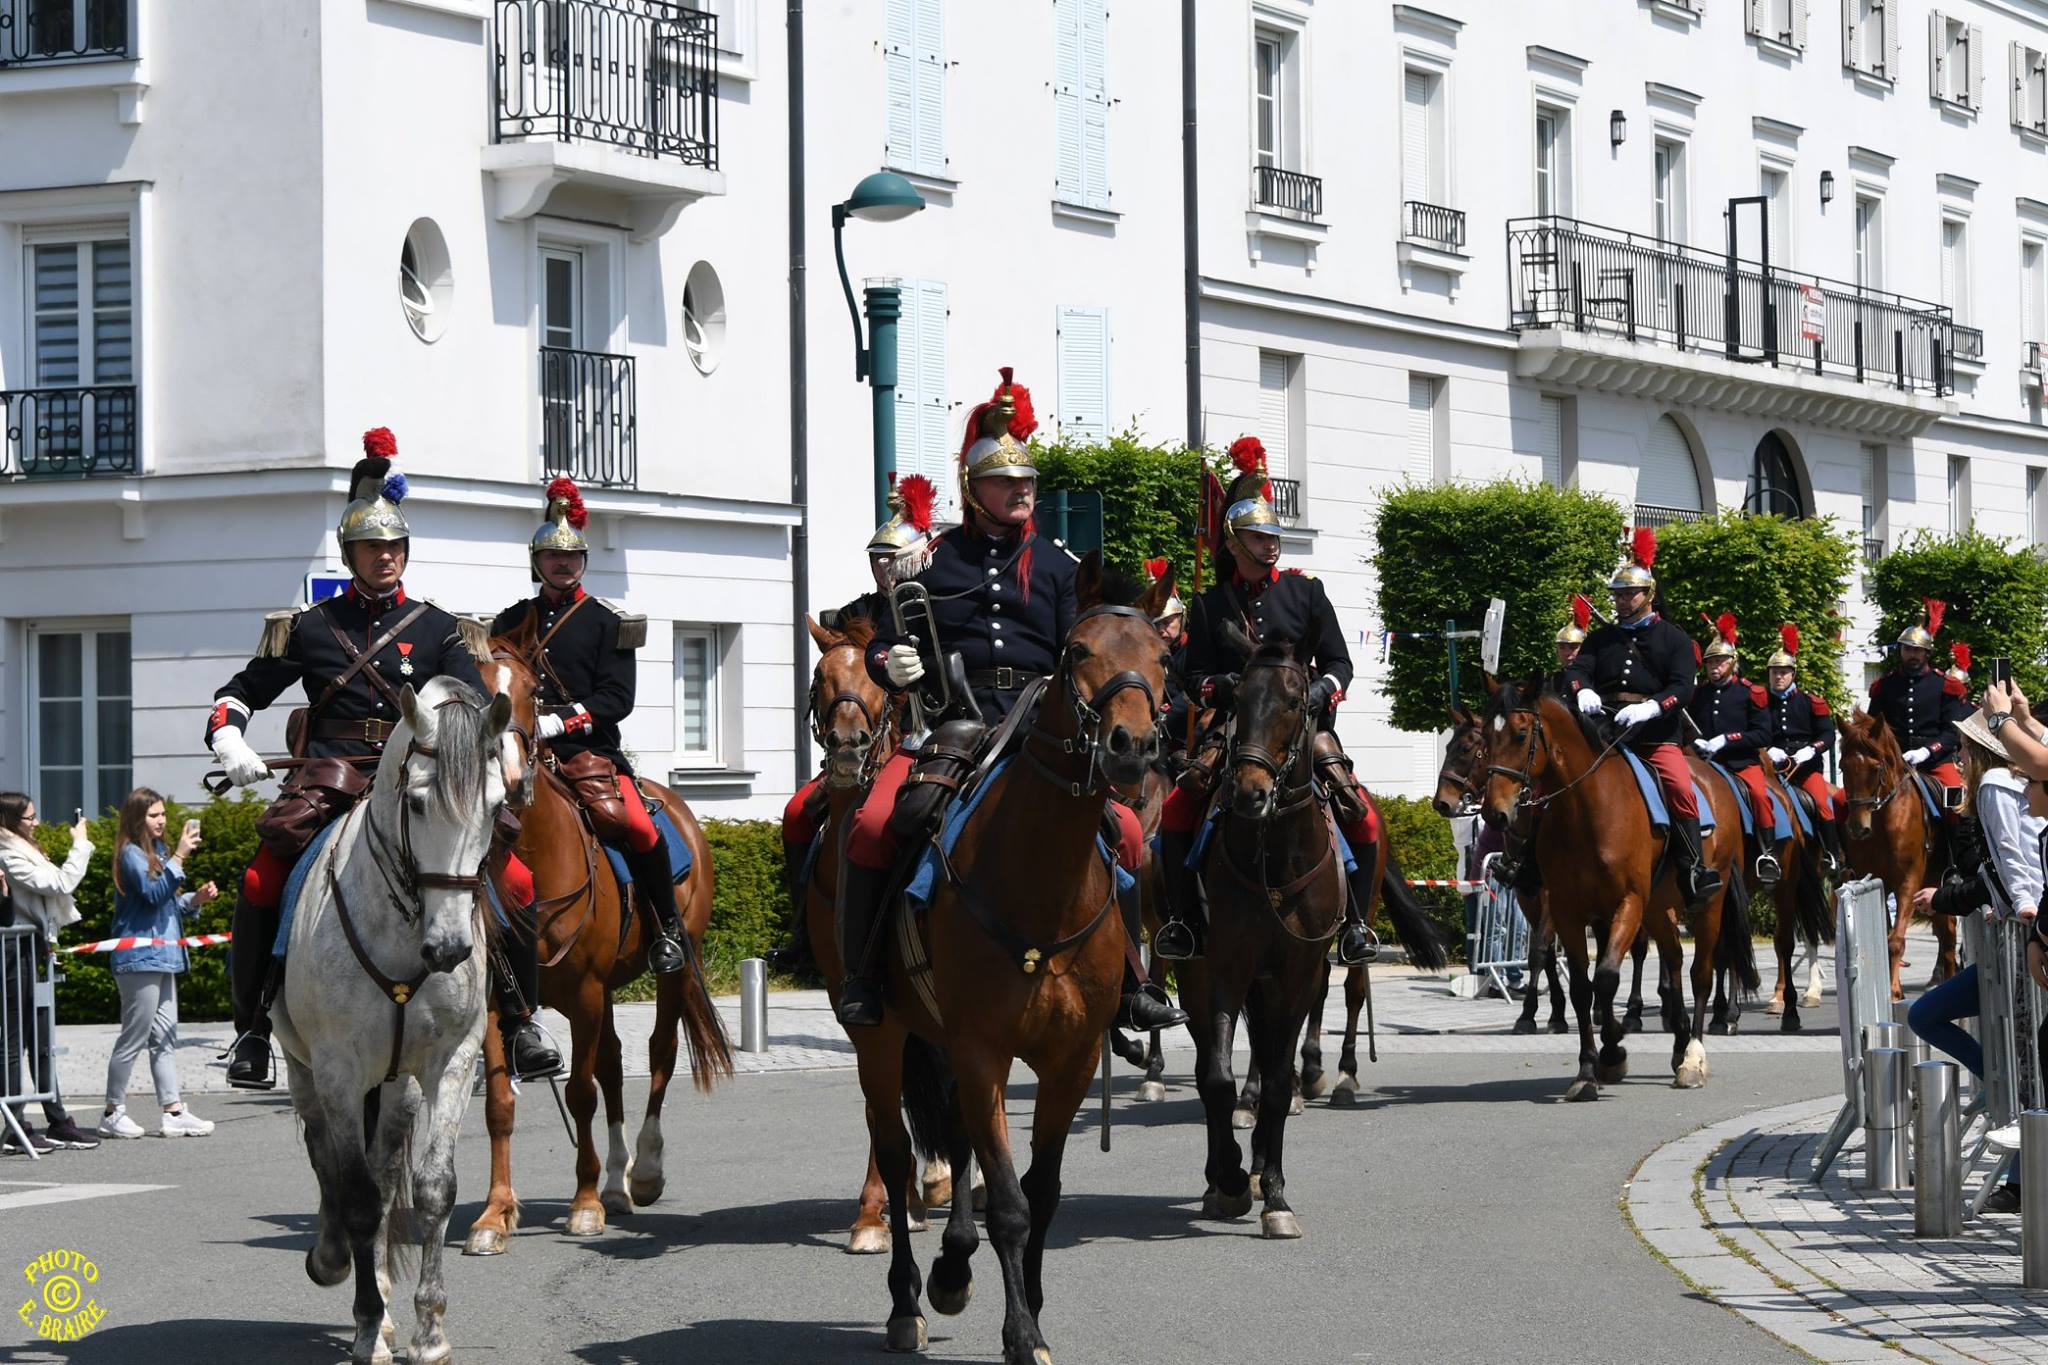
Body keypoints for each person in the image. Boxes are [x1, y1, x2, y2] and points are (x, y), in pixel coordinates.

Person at [838, 367, 1185, 1035]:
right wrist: (893, 663)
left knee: (1129, 831)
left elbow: (1080, 651)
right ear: (974, 488)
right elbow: (881, 645)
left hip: (1039, 727)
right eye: (1007, 482)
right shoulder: (930, 564)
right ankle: (863, 976)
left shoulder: (1059, 567)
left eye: (1028, 483)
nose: (1022, 492)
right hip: (953, 724)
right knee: (876, 824)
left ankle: (1131, 982)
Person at [208, 428, 538, 1090]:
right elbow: (241, 692)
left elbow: (473, 704)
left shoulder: (437, 626)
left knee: (520, 882)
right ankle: (253, 1027)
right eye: (371, 546)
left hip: (418, 782)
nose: (384, 557)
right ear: (350, 552)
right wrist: (230, 739)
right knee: (261, 879)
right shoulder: (310, 628)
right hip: (331, 779)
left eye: (393, 546)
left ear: (404, 552)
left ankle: (520, 1014)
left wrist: (502, 750)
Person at [1154, 435, 1377, 966]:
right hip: (1233, 725)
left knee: (1362, 817)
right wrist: (1223, 689)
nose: (1270, 543)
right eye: (1257, 536)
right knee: (1176, 810)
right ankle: (1184, 923)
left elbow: (1341, 663)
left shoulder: (1306, 593)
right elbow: (1194, 677)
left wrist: (1320, 691)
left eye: (1273, 534)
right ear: (1233, 540)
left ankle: (1357, 926)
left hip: (1299, 725)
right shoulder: (1209, 607)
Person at [487, 479, 672, 1079]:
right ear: (537, 561)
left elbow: (617, 699)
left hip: (586, 755)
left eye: (571, 556)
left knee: (637, 828)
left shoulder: (606, 622)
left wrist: (559, 718)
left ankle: (668, 932)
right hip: (522, 753)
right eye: (551, 556)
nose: (561, 563)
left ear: (582, 561)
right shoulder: (511, 621)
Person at [768, 475, 940, 973]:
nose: (885, 567)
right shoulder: (856, 612)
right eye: (878, 559)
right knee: (799, 812)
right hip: (861, 745)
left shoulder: (937, 608)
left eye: (893, 558)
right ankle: (804, 930)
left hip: (927, 741)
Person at [1906, 707, 2045, 1213]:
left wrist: (2022, 908)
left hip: (2022, 938)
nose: (1958, 755)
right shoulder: (1986, 790)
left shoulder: (1991, 789)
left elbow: (2015, 858)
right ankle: (1999, 1090)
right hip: (2011, 934)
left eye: (1964, 747)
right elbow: (2000, 869)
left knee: (2030, 1068)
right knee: (2021, 1065)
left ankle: (2021, 1178)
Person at [1562, 528, 1722, 910]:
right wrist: (1582, 688)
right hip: (1606, 732)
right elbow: (1576, 669)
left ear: (1648, 595)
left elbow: (1683, 686)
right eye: (1617, 594)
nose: (1621, 600)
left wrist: (1652, 707)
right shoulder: (1602, 639)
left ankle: (1692, 868)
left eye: (1629, 593)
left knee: (1682, 788)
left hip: (1655, 737)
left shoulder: (1674, 638)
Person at [98, 789, 218, 1139]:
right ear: (137, 818)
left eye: (163, 813)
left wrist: (194, 899)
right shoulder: (131, 854)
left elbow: (168, 904)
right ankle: (112, 1110)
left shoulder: (158, 852)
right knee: (133, 1037)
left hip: (163, 955)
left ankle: (173, 1111)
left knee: (165, 1037)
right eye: (154, 815)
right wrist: (180, 856)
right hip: (139, 957)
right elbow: (152, 895)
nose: (162, 820)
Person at [0, 794, 101, 1152]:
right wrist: (81, 844)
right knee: (14, 1040)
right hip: (15, 951)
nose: (36, 823)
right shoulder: (6, 852)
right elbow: (59, 883)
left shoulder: (21, 847)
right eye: (29, 818)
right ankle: (15, 1125)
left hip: (36, 946)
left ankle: (57, 1119)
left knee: (43, 1041)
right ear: (10, 821)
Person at [1688, 613, 1780, 885]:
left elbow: (1763, 733)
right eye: (1710, 662)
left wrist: (1727, 739)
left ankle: (1768, 854)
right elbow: (1690, 729)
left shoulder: (1752, 693)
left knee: (1760, 795)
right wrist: (1697, 743)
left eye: (1719, 661)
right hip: (1704, 763)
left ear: (1733, 663)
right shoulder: (1699, 695)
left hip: (1741, 764)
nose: (1714, 666)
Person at [1868, 598, 1967, 818]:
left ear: (1927, 654)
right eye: (1907, 649)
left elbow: (1952, 733)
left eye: (1917, 650)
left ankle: (1959, 852)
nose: (1912, 655)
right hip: (1893, 762)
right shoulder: (1885, 686)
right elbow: (1871, 728)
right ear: (1900, 651)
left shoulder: (1945, 685)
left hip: (1935, 762)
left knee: (1957, 803)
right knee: (1851, 801)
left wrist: (1926, 751)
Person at [1761, 624, 1843, 876]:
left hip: (1805, 768)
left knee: (1822, 803)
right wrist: (1767, 749)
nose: (1778, 677)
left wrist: (1811, 750)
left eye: (1784, 672)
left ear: (1793, 673)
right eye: (1774, 672)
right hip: (1772, 768)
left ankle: (1831, 854)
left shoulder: (1810, 702)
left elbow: (1827, 734)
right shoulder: (1760, 703)